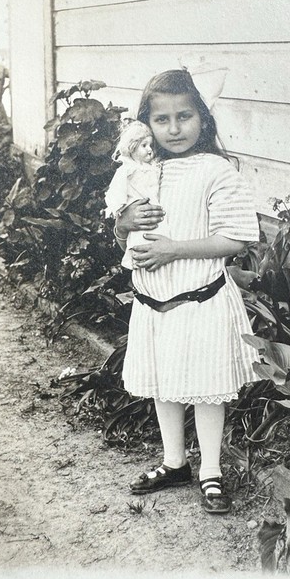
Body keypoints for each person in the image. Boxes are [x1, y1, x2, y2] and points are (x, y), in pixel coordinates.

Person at [113, 69, 259, 514]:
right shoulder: (141, 171)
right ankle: (174, 461)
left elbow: (235, 239)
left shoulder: (216, 170)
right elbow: (126, 239)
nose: (174, 129)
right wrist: (123, 224)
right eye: (162, 120)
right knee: (165, 381)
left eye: (184, 117)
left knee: (206, 386)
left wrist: (174, 250)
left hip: (200, 300)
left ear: (203, 119)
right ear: (146, 124)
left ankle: (211, 470)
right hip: (153, 303)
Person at [104, 120, 164, 271]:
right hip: (137, 209)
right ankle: (137, 259)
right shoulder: (127, 170)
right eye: (144, 146)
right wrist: (118, 207)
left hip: (154, 207)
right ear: (132, 147)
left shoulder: (153, 168)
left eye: (151, 146)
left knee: (156, 232)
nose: (149, 150)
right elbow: (116, 189)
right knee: (140, 234)